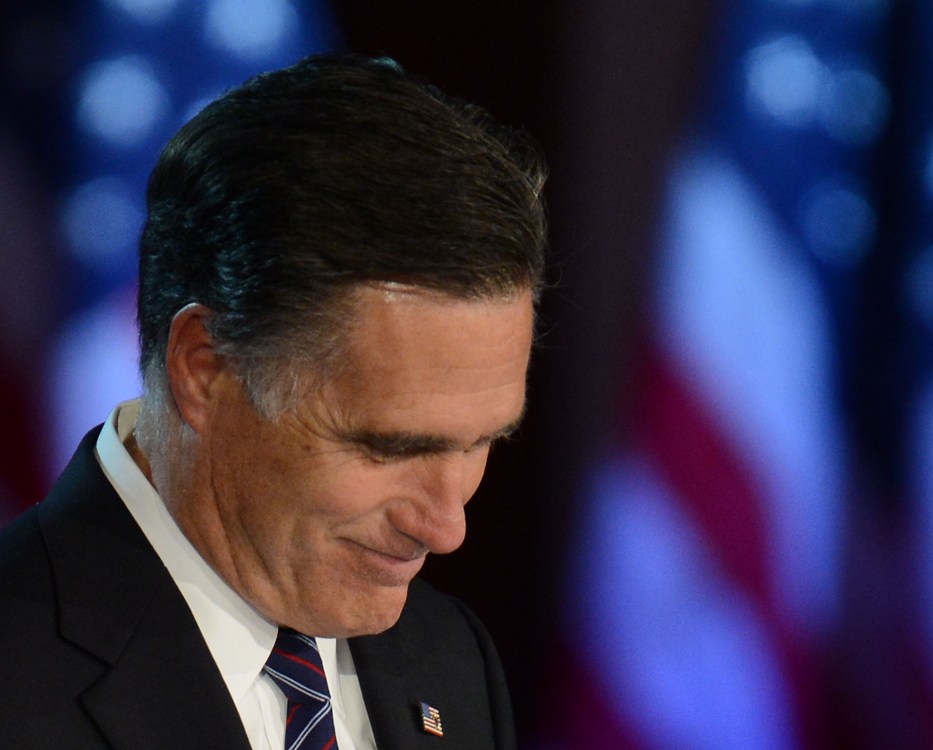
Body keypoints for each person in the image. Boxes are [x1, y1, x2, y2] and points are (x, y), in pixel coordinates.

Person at [0, 53, 546, 749]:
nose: (446, 529)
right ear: (205, 368)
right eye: (391, 446)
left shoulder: (449, 656)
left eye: (481, 443)